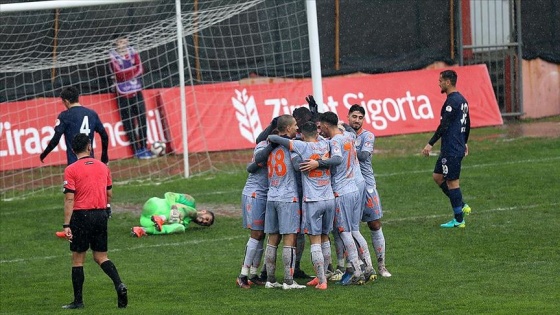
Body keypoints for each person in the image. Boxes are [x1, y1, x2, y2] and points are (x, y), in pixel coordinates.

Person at [300, 111, 370, 285]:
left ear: (325, 125)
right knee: (354, 230)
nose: (319, 130)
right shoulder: (348, 136)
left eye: (320, 126)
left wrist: (318, 163)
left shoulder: (335, 141)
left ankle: (357, 271)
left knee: (344, 231)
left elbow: (337, 159)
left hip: (342, 191)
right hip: (354, 187)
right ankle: (368, 267)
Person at [60, 133, 127, 309]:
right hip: (100, 215)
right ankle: (119, 284)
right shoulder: (103, 167)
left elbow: (69, 199)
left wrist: (67, 224)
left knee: (77, 260)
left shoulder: (71, 169)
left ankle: (78, 301)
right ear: (89, 147)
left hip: (81, 216)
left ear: (73, 150)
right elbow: (109, 193)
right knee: (101, 256)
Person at [268, 121, 335, 290]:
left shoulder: (300, 146)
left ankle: (321, 281)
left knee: (313, 241)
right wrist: (320, 162)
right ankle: (327, 273)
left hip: (311, 200)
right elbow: (338, 159)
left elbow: (273, 138)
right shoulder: (325, 143)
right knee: (326, 237)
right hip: (329, 197)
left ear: (302, 135)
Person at [422, 69, 472, 228]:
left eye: (440, 80)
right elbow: (467, 123)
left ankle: (459, 219)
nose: (439, 83)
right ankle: (461, 204)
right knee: (438, 176)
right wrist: (465, 141)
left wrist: (430, 143)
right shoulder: (462, 100)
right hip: (452, 146)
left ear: (448, 82)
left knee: (452, 182)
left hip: (451, 147)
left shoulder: (452, 102)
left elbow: (444, 125)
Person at [347, 104, 391, 277]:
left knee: (375, 223)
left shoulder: (368, 136)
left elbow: (364, 155)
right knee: (352, 228)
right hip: (350, 187)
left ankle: (382, 265)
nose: (357, 120)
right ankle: (358, 265)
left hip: (367, 185)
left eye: (360, 117)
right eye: (354, 117)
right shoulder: (343, 134)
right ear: (348, 116)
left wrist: (346, 147)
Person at [263, 114, 306, 290]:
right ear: (287, 128)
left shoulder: (269, 146)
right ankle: (288, 281)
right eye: (295, 125)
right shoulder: (291, 146)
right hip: (288, 198)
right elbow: (297, 166)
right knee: (290, 238)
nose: (297, 128)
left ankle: (270, 280)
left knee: (272, 239)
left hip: (271, 196)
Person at [236, 139, 275, 289]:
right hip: (255, 195)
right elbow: (253, 165)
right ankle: (242, 275)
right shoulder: (263, 146)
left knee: (262, 235)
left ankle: (253, 274)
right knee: (256, 234)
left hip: (266, 195)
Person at [109, 34, 152, 159]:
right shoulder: (112, 57)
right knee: (128, 121)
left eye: (124, 40)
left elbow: (140, 69)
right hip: (122, 92)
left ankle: (144, 146)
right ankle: (136, 150)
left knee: (142, 118)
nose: (123, 43)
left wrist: (130, 72)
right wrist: (132, 71)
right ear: (116, 43)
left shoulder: (133, 52)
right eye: (120, 41)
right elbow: (119, 75)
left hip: (136, 89)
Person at [40, 86, 109, 165]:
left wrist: (44, 154)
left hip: (74, 163)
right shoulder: (92, 114)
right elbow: (104, 136)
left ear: (66, 101)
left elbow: (55, 140)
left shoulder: (64, 116)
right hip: (90, 163)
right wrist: (104, 156)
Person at [130, 192, 215, 237]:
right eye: (206, 219)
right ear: (204, 211)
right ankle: (162, 218)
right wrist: (173, 206)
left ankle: (142, 230)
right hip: (153, 205)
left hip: (145, 220)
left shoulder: (185, 224)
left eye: (205, 224)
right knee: (190, 211)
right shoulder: (190, 202)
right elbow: (169, 194)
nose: (203, 222)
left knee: (180, 228)